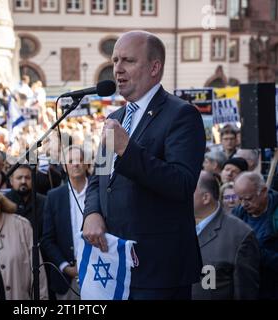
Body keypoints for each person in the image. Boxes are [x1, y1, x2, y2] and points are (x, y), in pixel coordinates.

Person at [82, 30, 206, 300]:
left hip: (157, 270)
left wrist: (127, 150)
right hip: (114, 263)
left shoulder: (181, 115)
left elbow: (181, 184)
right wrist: (91, 212)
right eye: (115, 61)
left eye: (127, 60)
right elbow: (99, 177)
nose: (117, 69)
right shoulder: (115, 116)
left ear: (154, 67)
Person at [192, 171, 259, 299]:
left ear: (205, 198)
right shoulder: (176, 225)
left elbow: (245, 292)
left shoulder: (240, 234)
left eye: (189, 190)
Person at [41, 146, 89, 300]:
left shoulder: (99, 191)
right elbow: (47, 239)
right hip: (66, 279)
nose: (75, 164)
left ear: (87, 163)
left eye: (79, 160)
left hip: (99, 271)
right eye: (70, 161)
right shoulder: (54, 197)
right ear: (64, 166)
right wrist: (66, 267)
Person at [233, 172, 278, 299]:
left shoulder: (275, 217)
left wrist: (255, 251)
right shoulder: (238, 214)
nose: (243, 204)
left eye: (248, 199)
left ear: (263, 191)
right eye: (240, 199)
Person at [5, 164, 45, 240]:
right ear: (11, 181)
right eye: (19, 178)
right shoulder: (4, 202)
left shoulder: (44, 202)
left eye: (27, 178)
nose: (23, 181)